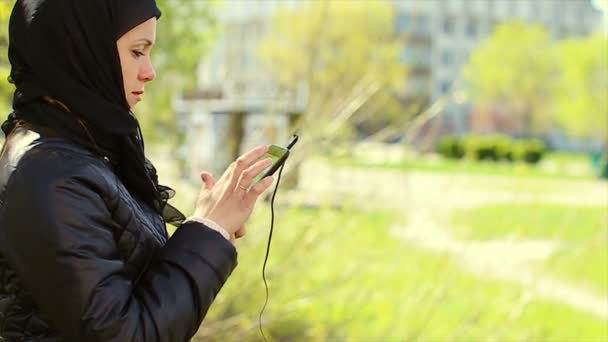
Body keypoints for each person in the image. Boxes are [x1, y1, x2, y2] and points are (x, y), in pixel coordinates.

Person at [0, 0, 275, 341]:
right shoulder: (51, 176)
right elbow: (126, 333)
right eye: (136, 52)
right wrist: (211, 230)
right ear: (82, 51)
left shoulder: (85, 149)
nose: (149, 71)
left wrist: (207, 226)